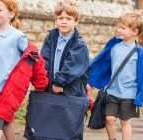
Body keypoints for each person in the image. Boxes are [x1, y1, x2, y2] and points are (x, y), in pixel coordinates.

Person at [0, 0, 49, 140]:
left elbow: (35, 57)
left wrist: (41, 82)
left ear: (11, 14)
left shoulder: (17, 37)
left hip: (8, 92)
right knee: (4, 121)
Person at [88, 10, 143, 140]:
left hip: (129, 94)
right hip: (112, 91)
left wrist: (140, 97)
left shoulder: (141, 53)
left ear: (134, 31)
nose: (119, 30)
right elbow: (101, 63)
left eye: (123, 28)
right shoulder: (114, 46)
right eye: (119, 27)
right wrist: (93, 80)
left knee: (125, 122)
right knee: (109, 118)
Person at [40, 0, 89, 139]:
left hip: (70, 91)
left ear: (76, 22)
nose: (64, 21)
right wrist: (45, 82)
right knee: (52, 128)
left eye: (68, 18)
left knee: (70, 129)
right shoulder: (51, 38)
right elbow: (44, 60)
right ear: (55, 20)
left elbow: (72, 67)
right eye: (60, 18)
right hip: (51, 89)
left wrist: (59, 83)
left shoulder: (79, 44)